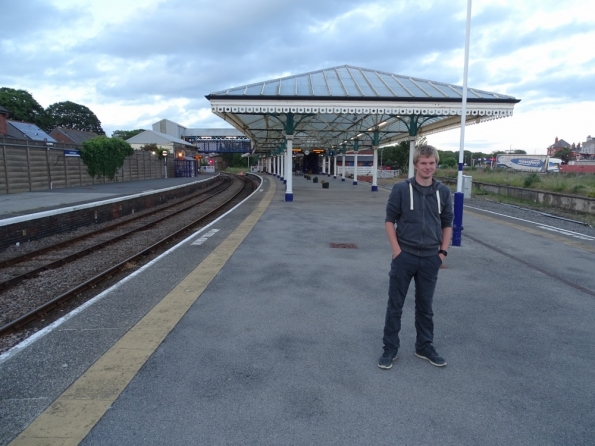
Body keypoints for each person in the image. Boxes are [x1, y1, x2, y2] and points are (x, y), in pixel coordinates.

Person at [378, 145, 453, 369]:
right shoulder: (401, 189)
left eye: (431, 163)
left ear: (436, 164)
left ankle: (424, 346)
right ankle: (390, 348)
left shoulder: (443, 192)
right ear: (415, 165)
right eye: (423, 163)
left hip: (431, 258)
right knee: (395, 305)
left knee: (425, 306)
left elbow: (447, 224)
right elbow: (390, 220)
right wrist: (396, 250)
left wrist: (442, 253)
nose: (428, 167)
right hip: (405, 256)